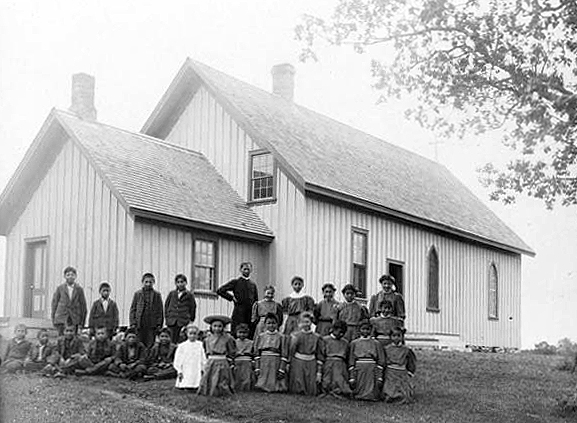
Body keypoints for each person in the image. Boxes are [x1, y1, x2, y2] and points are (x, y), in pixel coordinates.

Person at [216, 262, 259, 338]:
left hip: (250, 314)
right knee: (237, 333)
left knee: (250, 334)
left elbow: (256, 301)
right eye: (244, 269)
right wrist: (232, 298)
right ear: (240, 270)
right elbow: (220, 290)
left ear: (251, 270)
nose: (246, 271)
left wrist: (255, 315)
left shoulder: (253, 285)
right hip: (239, 313)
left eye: (248, 269)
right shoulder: (236, 282)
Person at [199, 315, 236, 396]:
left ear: (223, 327)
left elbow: (231, 351)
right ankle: (209, 390)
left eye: (219, 326)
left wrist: (230, 361)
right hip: (211, 360)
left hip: (222, 360)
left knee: (222, 378)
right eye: (215, 326)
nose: (217, 328)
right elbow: (205, 350)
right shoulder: (207, 339)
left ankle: (222, 391)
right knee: (209, 377)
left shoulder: (228, 338)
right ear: (211, 327)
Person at [348, 320, 385, 401]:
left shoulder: (376, 343)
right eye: (363, 329)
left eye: (367, 329)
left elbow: (381, 359)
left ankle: (372, 396)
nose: (365, 331)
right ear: (359, 330)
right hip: (359, 366)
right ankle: (359, 395)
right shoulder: (354, 343)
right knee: (359, 384)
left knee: (371, 384)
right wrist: (352, 376)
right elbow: (351, 359)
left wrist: (379, 376)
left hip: (371, 367)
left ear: (371, 330)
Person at [288, 311, 323, 396]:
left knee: (311, 389)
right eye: (303, 322)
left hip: (311, 362)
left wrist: (319, 372)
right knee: (298, 385)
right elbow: (292, 351)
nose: (305, 324)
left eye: (307, 322)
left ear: (311, 322)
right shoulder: (295, 335)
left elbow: (319, 354)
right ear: (299, 323)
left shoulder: (317, 337)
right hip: (298, 362)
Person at [253, 313, 288, 393]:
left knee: (274, 376)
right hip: (264, 360)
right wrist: (257, 367)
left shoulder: (281, 337)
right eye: (269, 323)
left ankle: (276, 387)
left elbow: (284, 353)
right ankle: (262, 386)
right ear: (265, 324)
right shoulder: (261, 336)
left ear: (277, 324)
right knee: (263, 375)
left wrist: (282, 369)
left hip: (275, 360)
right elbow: (257, 353)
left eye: (273, 323)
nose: (271, 325)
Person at [129, 273, 164, 348]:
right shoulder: (137, 294)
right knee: (139, 342)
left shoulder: (157, 295)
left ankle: (149, 358)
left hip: (151, 323)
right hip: (140, 323)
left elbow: (160, 310)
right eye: (146, 282)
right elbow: (133, 309)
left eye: (150, 282)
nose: (148, 284)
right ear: (142, 282)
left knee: (150, 342)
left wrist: (159, 323)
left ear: (153, 282)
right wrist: (133, 322)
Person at [383, 327, 417, 404]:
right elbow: (383, 361)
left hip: (401, 372)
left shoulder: (406, 350)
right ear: (390, 337)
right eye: (394, 336)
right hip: (390, 373)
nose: (396, 338)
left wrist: (410, 372)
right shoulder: (386, 349)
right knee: (390, 390)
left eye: (399, 336)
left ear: (402, 337)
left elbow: (411, 362)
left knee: (404, 394)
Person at [51, 266, 87, 335]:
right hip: (62, 317)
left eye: (72, 275)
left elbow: (83, 306)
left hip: (74, 317)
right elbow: (54, 303)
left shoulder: (79, 289)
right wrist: (54, 318)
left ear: (75, 276)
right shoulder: (60, 288)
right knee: (61, 337)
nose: (70, 277)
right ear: (64, 276)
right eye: (68, 275)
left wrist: (82, 322)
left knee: (73, 337)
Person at [320, 320, 352, 398]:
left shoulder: (345, 342)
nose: (341, 334)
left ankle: (339, 392)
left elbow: (347, 356)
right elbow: (321, 354)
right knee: (327, 380)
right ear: (334, 329)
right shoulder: (325, 340)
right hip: (329, 362)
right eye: (339, 332)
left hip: (340, 363)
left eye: (343, 333)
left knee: (340, 380)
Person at [164, 274, 197, 344]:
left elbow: (193, 307)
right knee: (171, 339)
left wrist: (191, 319)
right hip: (172, 320)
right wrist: (167, 317)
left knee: (180, 340)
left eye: (182, 282)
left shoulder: (189, 295)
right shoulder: (172, 294)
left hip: (183, 321)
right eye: (178, 282)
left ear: (185, 283)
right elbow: (167, 306)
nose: (180, 284)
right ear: (176, 283)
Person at [173, 324, 206, 390]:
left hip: (196, 365)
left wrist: (203, 367)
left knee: (196, 373)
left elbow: (203, 356)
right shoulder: (182, 346)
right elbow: (178, 358)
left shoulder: (200, 344)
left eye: (195, 334)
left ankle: (196, 385)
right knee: (187, 373)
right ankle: (185, 385)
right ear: (187, 334)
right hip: (186, 365)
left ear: (197, 335)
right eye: (190, 333)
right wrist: (179, 370)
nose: (192, 336)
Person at [234, 323, 255, 391]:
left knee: (246, 375)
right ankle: (237, 387)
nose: (242, 334)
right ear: (236, 332)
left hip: (247, 360)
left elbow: (251, 352)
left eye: (244, 333)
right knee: (237, 375)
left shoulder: (250, 342)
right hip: (237, 360)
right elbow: (232, 352)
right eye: (240, 332)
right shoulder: (234, 342)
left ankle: (246, 388)